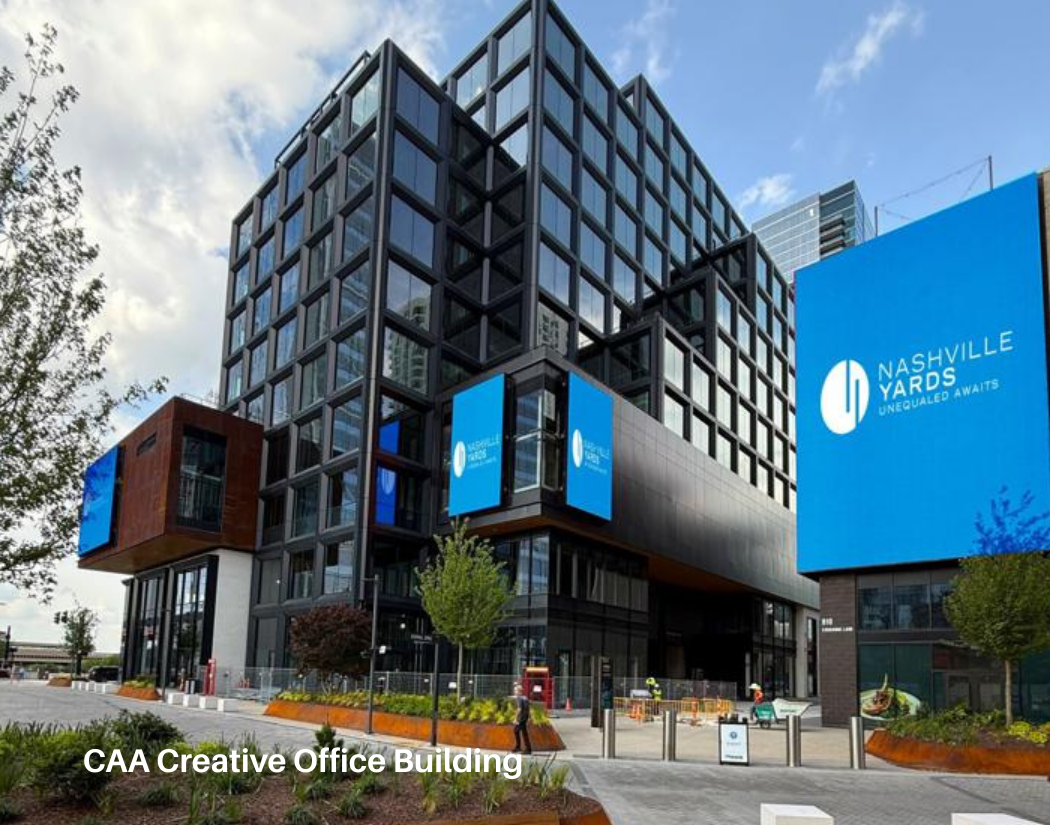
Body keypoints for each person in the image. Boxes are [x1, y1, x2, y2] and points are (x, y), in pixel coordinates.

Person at [511, 684, 533, 755]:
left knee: (516, 730)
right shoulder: (525, 698)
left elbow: (519, 709)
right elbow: (529, 708)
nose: (514, 692)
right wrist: (529, 717)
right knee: (523, 732)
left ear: (519, 691)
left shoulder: (519, 698)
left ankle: (523, 748)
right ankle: (525, 748)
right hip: (525, 718)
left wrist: (515, 718)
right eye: (514, 690)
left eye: (515, 690)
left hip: (521, 718)